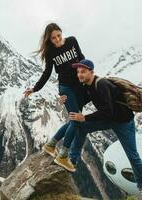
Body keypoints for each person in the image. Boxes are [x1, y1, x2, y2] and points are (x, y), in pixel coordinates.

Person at [60, 58, 142, 194]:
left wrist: (85, 117)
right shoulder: (88, 86)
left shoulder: (101, 84)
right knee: (81, 127)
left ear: (91, 72)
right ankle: (72, 160)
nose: (80, 75)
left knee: (132, 155)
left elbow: (108, 111)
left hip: (123, 122)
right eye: (78, 72)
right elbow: (81, 101)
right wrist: (65, 100)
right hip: (109, 119)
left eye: (83, 71)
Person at [23, 23, 85, 172]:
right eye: (53, 38)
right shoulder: (50, 53)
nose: (57, 40)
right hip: (66, 88)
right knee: (76, 120)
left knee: (74, 120)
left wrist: (89, 78)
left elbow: (82, 59)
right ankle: (63, 155)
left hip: (79, 86)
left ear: (61, 33)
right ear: (49, 40)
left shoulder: (72, 41)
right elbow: (47, 73)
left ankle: (51, 145)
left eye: (58, 36)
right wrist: (35, 88)